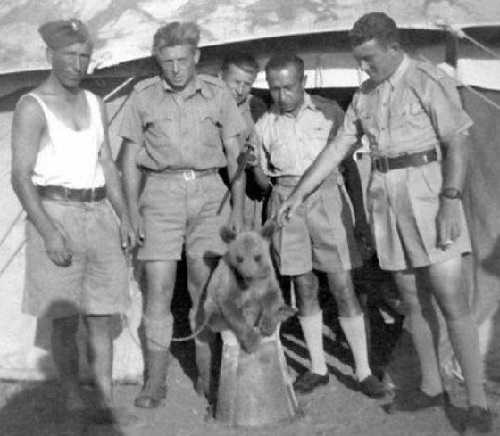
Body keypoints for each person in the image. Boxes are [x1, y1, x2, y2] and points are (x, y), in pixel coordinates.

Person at [277, 13, 492, 433]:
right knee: (412, 300)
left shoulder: (429, 81)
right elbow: (339, 146)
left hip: (430, 196)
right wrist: (299, 193)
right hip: (386, 200)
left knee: (451, 302)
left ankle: (478, 403)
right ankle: (431, 387)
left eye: (370, 59)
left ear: (394, 48)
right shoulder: (365, 95)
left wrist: (451, 200)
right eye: (359, 60)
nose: (364, 67)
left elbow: (456, 142)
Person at [119, 22, 246, 408]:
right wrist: (130, 213)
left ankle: (209, 380)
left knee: (204, 288)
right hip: (160, 194)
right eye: (167, 61)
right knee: (157, 288)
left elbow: (235, 152)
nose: (174, 69)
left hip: (210, 194)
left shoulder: (218, 93)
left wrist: (238, 208)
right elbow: (127, 162)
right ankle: (154, 381)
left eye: (181, 60)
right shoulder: (143, 97)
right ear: (159, 61)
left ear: (196, 57)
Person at [10, 19, 134, 419]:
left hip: (99, 215)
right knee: (64, 321)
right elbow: (20, 176)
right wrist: (48, 231)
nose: (77, 65)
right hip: (56, 213)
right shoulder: (33, 106)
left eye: (84, 57)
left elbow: (109, 167)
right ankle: (73, 403)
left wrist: (125, 217)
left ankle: (105, 402)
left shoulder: (96, 103)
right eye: (69, 56)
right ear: (50, 56)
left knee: (102, 315)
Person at [250, 54, 386, 398]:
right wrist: (253, 167)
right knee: (304, 287)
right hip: (286, 202)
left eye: (289, 87)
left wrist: (360, 219)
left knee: (342, 285)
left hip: (328, 198)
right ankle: (317, 367)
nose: (282, 96)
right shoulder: (264, 124)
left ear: (303, 81)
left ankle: (363, 369)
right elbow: (264, 183)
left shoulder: (330, 113)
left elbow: (350, 168)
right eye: (275, 89)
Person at [220, 53, 268, 229]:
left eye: (247, 84)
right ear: (220, 77)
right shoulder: (204, 105)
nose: (240, 90)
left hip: (247, 193)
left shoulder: (256, 108)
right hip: (214, 190)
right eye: (235, 82)